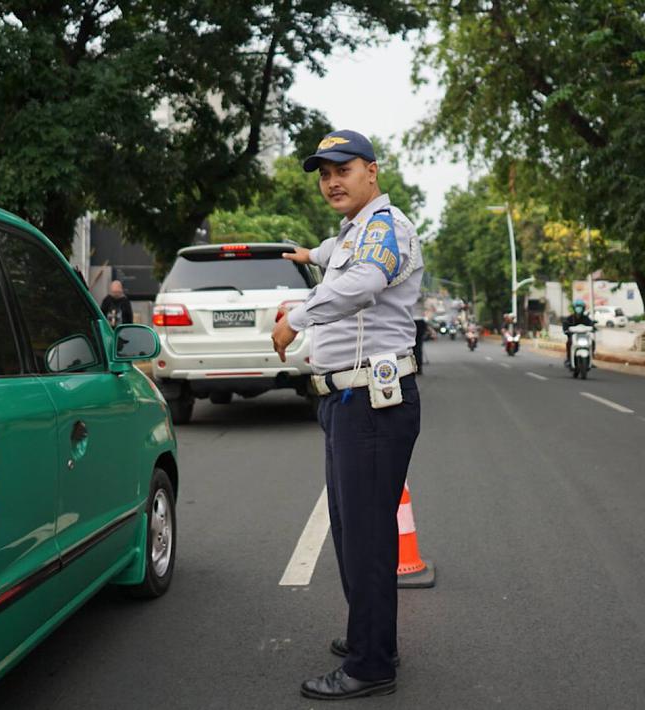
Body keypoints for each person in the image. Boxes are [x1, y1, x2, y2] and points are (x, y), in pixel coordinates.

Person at [271, 130, 423, 701]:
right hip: (344, 399)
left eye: (344, 169)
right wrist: (306, 256)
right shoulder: (354, 233)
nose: (331, 180)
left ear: (372, 172)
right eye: (323, 172)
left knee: (366, 536)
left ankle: (370, 664)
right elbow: (337, 256)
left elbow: (360, 283)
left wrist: (297, 318)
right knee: (353, 531)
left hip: (372, 402)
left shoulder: (385, 228)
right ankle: (372, 637)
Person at [561, 299, 595, 363]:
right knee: (569, 343)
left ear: (583, 308)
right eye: (577, 307)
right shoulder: (570, 318)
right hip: (573, 337)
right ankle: (569, 358)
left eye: (580, 307)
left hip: (584, 337)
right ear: (574, 308)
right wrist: (565, 330)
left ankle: (591, 356)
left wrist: (593, 327)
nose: (578, 308)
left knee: (592, 342)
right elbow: (565, 324)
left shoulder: (586, 318)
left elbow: (591, 324)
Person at [412, 291, 427, 374]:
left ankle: (416, 365)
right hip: (419, 321)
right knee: (418, 345)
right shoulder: (421, 295)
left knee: (413, 345)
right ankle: (418, 366)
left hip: (412, 320)